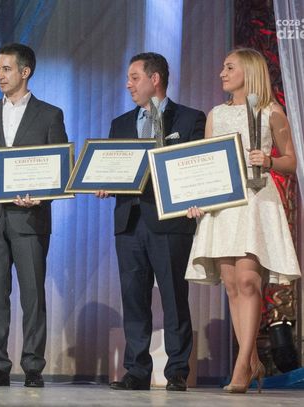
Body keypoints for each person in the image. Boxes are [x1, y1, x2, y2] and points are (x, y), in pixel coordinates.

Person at [185, 48, 301, 393]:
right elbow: (205, 162)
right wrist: (196, 199)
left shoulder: (272, 112)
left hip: (255, 201)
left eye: (229, 67)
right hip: (223, 204)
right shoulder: (216, 114)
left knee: (249, 281)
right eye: (223, 67)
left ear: (248, 71)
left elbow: (291, 161)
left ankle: (242, 363)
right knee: (233, 284)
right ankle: (251, 361)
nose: (222, 73)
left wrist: (269, 160)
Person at [96, 53, 206, 391]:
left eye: (134, 77)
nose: (128, 84)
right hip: (129, 221)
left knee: (174, 296)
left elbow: (198, 166)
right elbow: (113, 167)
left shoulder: (189, 119)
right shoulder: (120, 123)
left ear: (154, 79)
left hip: (170, 222)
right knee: (133, 298)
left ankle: (177, 371)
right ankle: (137, 371)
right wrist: (102, 181)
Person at [0, 43, 67, 388]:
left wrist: (41, 196)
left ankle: (33, 367)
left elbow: (59, 166)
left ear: (25, 72)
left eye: (6, 69)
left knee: (32, 295)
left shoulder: (50, 114)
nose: (0, 75)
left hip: (30, 218)